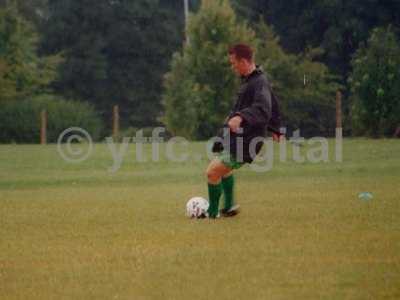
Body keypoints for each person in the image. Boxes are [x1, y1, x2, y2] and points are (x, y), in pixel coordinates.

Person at [205, 43, 281, 218]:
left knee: (212, 172)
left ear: (244, 61)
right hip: (238, 138)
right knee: (224, 170)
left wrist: (241, 117)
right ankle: (229, 207)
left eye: (234, 63)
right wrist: (276, 128)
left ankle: (212, 214)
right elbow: (274, 104)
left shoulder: (259, 81)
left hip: (248, 140)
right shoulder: (252, 81)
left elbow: (264, 108)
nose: (233, 67)